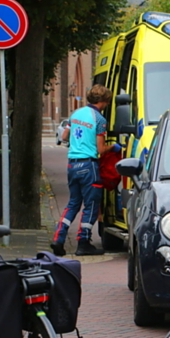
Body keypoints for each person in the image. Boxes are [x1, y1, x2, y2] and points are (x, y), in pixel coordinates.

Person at [51, 85, 121, 256]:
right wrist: (114, 147)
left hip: (72, 165)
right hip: (89, 166)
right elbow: (101, 149)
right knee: (91, 205)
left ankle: (58, 239)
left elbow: (64, 136)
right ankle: (83, 243)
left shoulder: (76, 114)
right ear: (104, 101)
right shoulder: (99, 119)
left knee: (73, 203)